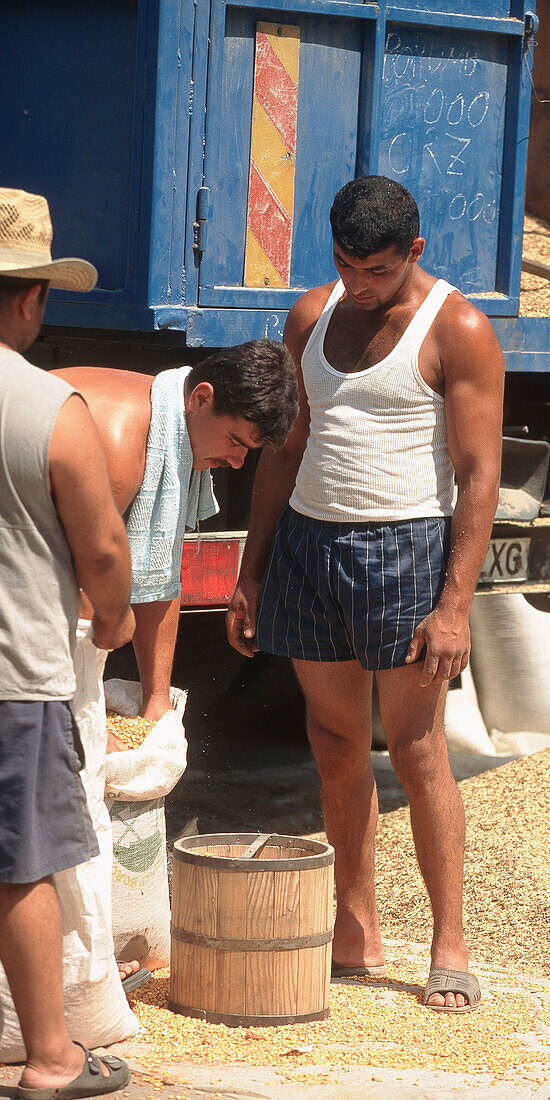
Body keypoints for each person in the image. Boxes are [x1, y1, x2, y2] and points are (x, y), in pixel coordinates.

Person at [226, 176, 504, 1012]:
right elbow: (283, 447)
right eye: (345, 263)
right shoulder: (311, 314)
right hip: (311, 543)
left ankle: (448, 942)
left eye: (376, 269)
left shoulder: (457, 327)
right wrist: (253, 567)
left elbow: (480, 475)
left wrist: (454, 604)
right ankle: (355, 925)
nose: (358, 283)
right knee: (334, 740)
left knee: (416, 751)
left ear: (414, 253)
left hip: (408, 547)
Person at [0, 188, 134, 1096]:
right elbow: (105, 549)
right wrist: (115, 620)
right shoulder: (52, 409)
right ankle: (51, 1056)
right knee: (22, 865)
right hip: (15, 674)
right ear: (30, 297)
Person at [54, 340, 298, 725]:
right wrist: (85, 718)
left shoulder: (173, 427)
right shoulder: (120, 444)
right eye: (235, 441)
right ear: (201, 399)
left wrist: (156, 698)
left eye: (247, 451)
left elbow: (158, 572)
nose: (236, 463)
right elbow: (71, 586)